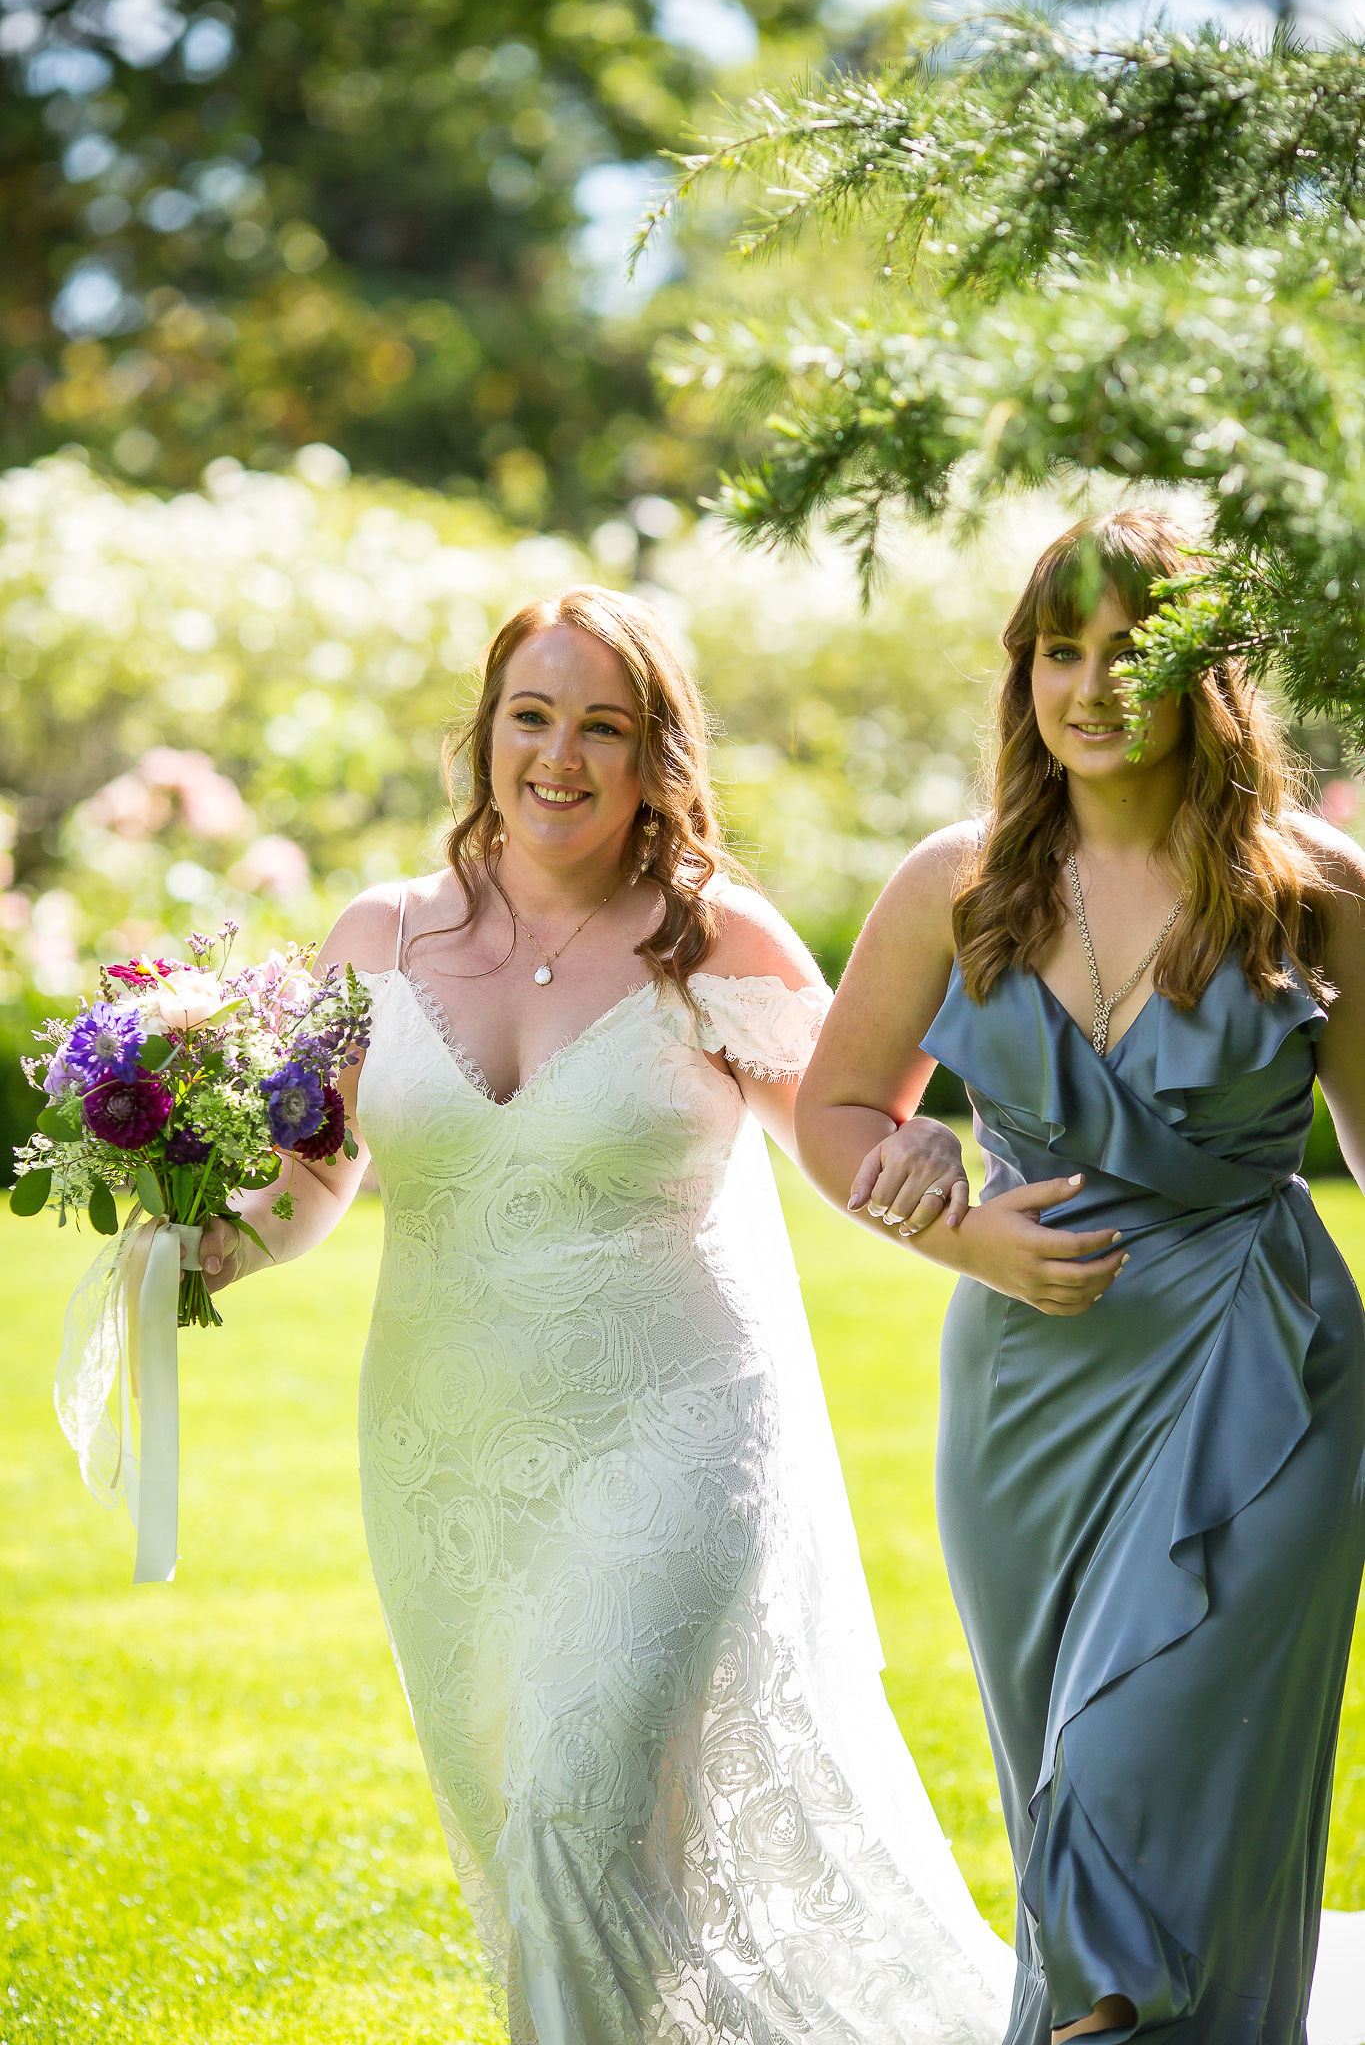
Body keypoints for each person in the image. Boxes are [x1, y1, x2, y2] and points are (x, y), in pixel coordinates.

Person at [194, 585, 1016, 2045]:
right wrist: (194, 1251)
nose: (557, 756)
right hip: (445, 1469)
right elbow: (309, 1178)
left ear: (656, 758)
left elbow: (840, 1131)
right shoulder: (374, 937)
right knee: (537, 1848)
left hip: (672, 1442)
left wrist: (939, 1177)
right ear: (484, 735)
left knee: (573, 1816)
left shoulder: (717, 941)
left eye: (601, 726)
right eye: (530, 716)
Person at [795, 509, 1365, 2044]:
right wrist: (953, 1228)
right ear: (1021, 675)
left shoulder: (1311, 890)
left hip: (1269, 1383)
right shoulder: (955, 884)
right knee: (1054, 1763)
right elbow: (837, 1110)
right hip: (1028, 1403)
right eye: (1060, 651)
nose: (1092, 686)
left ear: (1206, 680)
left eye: (1133, 651)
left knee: (1139, 1773)